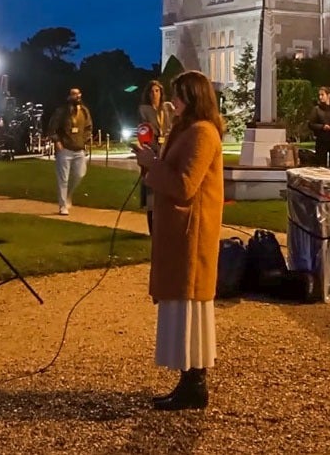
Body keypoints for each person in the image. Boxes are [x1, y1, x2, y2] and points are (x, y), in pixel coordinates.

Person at [130, 70, 224, 411]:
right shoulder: (187, 129)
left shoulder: (202, 132)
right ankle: (189, 379)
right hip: (178, 229)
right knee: (181, 305)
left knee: (189, 307)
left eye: (181, 95)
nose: (175, 101)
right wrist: (152, 160)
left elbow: (186, 185)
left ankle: (194, 382)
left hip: (191, 232)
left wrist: (152, 163)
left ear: (196, 97)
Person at [48, 88, 93, 215]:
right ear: (68, 96)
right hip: (65, 149)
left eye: (78, 94)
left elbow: (89, 127)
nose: (77, 96)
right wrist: (57, 141)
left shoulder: (84, 111)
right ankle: (63, 206)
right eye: (74, 94)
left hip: (79, 149)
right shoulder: (61, 112)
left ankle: (68, 194)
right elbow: (52, 128)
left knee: (80, 174)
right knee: (63, 179)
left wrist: (84, 141)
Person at [138, 81, 171, 233]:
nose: (154, 94)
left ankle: (164, 225)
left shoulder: (167, 108)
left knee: (165, 188)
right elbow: (144, 129)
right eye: (152, 91)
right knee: (150, 187)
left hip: (166, 150)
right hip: (151, 148)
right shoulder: (144, 110)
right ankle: (152, 227)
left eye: (157, 91)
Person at [309, 87, 330, 168]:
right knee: (320, 164)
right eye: (319, 95)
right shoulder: (317, 109)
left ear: (329, 95)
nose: (320, 97)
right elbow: (311, 124)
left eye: (322, 95)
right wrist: (322, 127)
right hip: (321, 140)